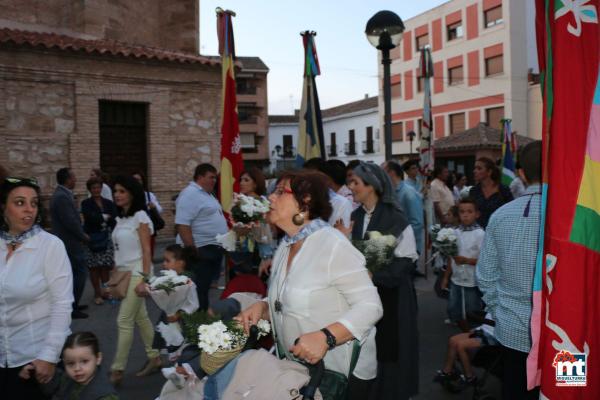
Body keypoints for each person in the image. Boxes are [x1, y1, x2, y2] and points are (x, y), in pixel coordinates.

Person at [237, 171, 383, 400]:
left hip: (340, 375)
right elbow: (291, 295)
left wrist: (326, 337)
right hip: (298, 373)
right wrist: (264, 308)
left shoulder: (332, 244)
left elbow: (371, 306)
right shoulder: (287, 246)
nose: (270, 199)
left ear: (305, 201)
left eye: (279, 192)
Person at [347, 162, 420, 400]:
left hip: (393, 297)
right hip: (364, 295)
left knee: (390, 351)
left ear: (372, 186)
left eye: (356, 183)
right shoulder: (355, 216)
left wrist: (372, 274)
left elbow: (406, 260)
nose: (351, 187)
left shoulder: (394, 217)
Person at [476, 141, 542, 399]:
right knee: (569, 389)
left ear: (522, 174)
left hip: (513, 331)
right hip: (567, 334)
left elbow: (485, 276)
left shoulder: (501, 215)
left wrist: (500, 311)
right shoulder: (580, 215)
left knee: (517, 391)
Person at [0, 177, 73, 399]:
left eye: (33, 203)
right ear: (3, 207)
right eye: (20, 202)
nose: (29, 210)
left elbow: (62, 304)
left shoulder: (50, 246)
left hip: (33, 361)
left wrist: (49, 357)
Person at [109, 175, 160, 386]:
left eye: (122, 191)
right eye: (115, 191)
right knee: (140, 318)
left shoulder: (141, 216)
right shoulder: (121, 218)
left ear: (132, 193)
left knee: (124, 320)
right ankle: (155, 357)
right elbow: (119, 250)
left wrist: (145, 280)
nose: (117, 195)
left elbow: (147, 251)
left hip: (138, 271)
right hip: (123, 272)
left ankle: (117, 370)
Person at [175, 163, 228, 310]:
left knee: (203, 289)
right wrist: (193, 252)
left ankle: (201, 320)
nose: (214, 181)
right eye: (211, 177)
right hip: (200, 250)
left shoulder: (207, 194)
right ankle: (197, 323)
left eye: (215, 178)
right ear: (200, 177)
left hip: (211, 249)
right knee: (197, 292)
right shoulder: (190, 194)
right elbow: (183, 225)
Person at [21, 332, 118, 399]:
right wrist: (35, 372)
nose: (77, 368)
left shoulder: (105, 396)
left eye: (84, 361)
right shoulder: (67, 377)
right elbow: (51, 387)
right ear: (64, 362)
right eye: (71, 363)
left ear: (98, 358)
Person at [440, 198, 485, 332]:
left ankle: (473, 334)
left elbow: (485, 260)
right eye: (462, 212)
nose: (465, 215)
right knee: (454, 308)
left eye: (469, 212)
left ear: (477, 214)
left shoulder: (480, 234)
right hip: (456, 279)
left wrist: (466, 260)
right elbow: (451, 257)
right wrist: (446, 277)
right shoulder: (455, 232)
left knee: (473, 310)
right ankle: (464, 331)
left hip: (472, 280)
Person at [50, 167, 90, 319]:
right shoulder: (61, 197)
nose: (75, 180)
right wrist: (83, 236)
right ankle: (71, 307)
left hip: (70, 242)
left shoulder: (63, 195)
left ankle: (74, 304)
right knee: (79, 273)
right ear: (67, 179)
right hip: (70, 243)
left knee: (74, 274)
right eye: (73, 177)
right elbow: (70, 222)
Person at [434, 313, 497, 391]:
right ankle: (447, 372)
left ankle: (470, 377)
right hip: (483, 330)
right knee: (452, 340)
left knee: (461, 346)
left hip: (492, 335)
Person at [81, 177, 117, 305]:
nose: (96, 190)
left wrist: (100, 217)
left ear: (102, 188)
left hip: (107, 238)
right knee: (94, 267)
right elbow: (89, 219)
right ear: (90, 189)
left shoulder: (108, 202)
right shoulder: (86, 203)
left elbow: (114, 218)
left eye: (98, 187)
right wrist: (104, 217)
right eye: (94, 188)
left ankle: (106, 291)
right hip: (92, 238)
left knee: (105, 266)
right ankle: (97, 293)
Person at [383, 160, 425, 255]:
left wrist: (398, 239)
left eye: (382, 172)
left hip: (409, 248)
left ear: (391, 173)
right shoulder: (389, 192)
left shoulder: (409, 193)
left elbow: (417, 224)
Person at [469, 157, 513, 229]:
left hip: (499, 230)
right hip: (479, 232)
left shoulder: (503, 190)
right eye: (475, 168)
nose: (475, 171)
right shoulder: (474, 191)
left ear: (489, 172)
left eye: (479, 168)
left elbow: (510, 211)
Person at [133, 171, 163, 256]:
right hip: (134, 231)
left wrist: (152, 207)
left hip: (148, 230)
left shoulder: (149, 195)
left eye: (138, 180)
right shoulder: (128, 196)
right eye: (134, 180)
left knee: (148, 255)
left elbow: (159, 209)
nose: (136, 182)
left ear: (143, 182)